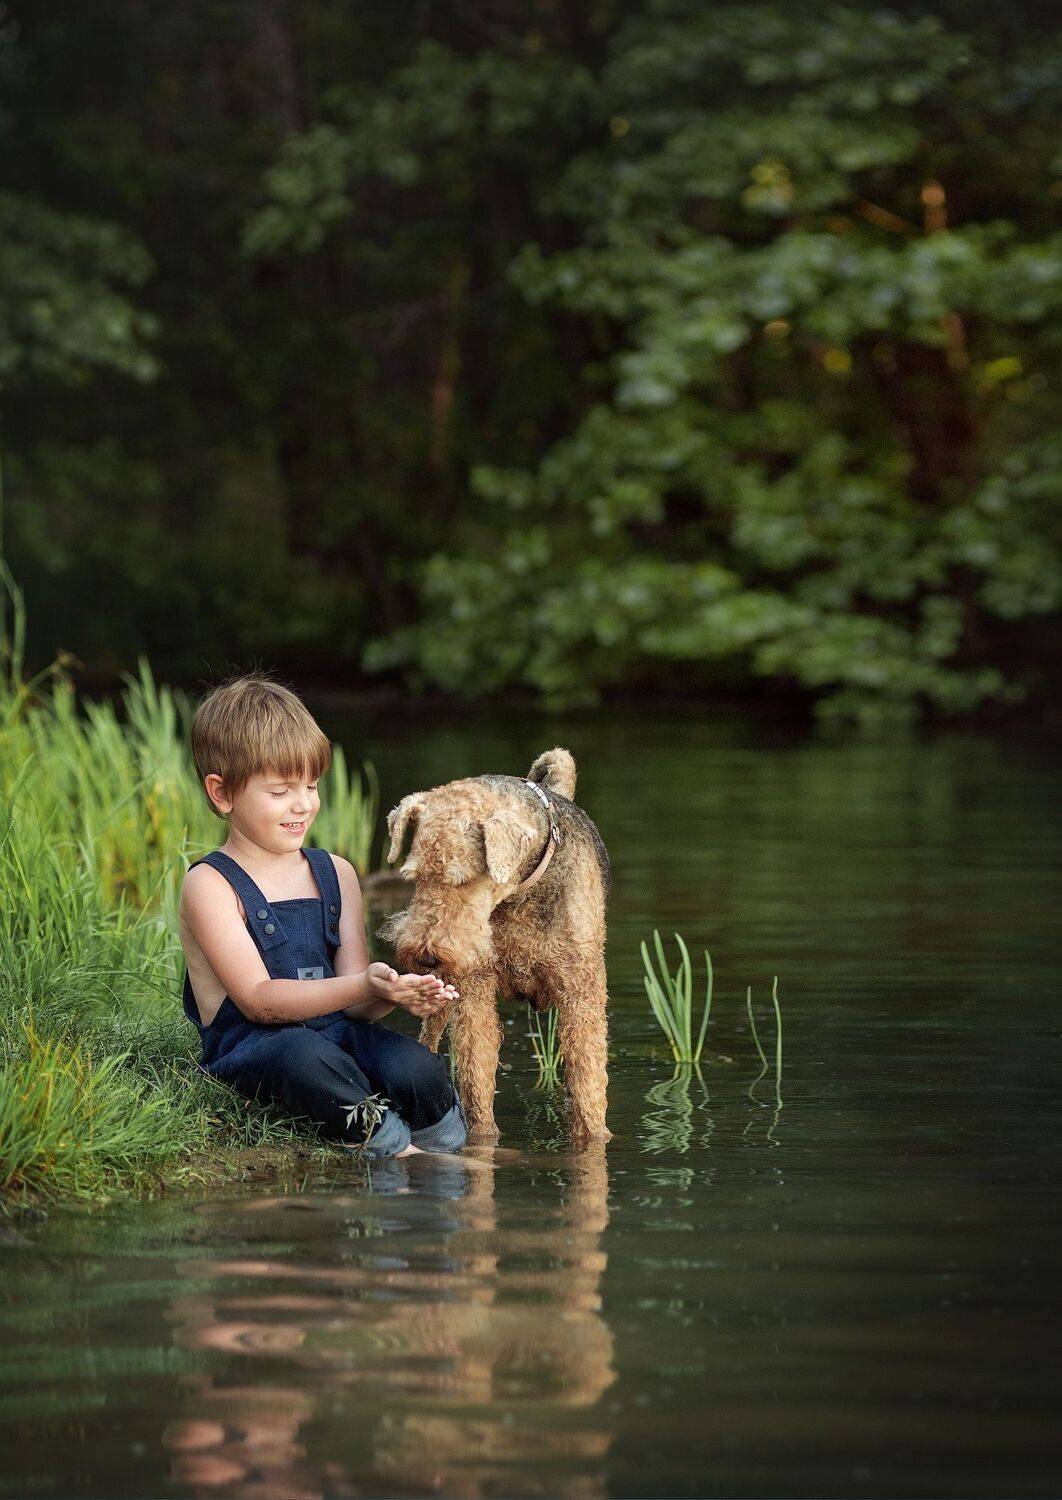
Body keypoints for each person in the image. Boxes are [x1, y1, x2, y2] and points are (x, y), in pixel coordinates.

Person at [178, 672, 468, 1160]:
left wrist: (392, 992)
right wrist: (362, 987)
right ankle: (400, 1154)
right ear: (222, 793)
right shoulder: (210, 884)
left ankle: (452, 1150)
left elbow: (355, 1003)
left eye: (311, 785)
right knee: (304, 1059)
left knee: (419, 1069)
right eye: (280, 791)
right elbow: (259, 1003)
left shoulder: (336, 873)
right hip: (256, 1048)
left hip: (336, 1035)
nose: (303, 804)